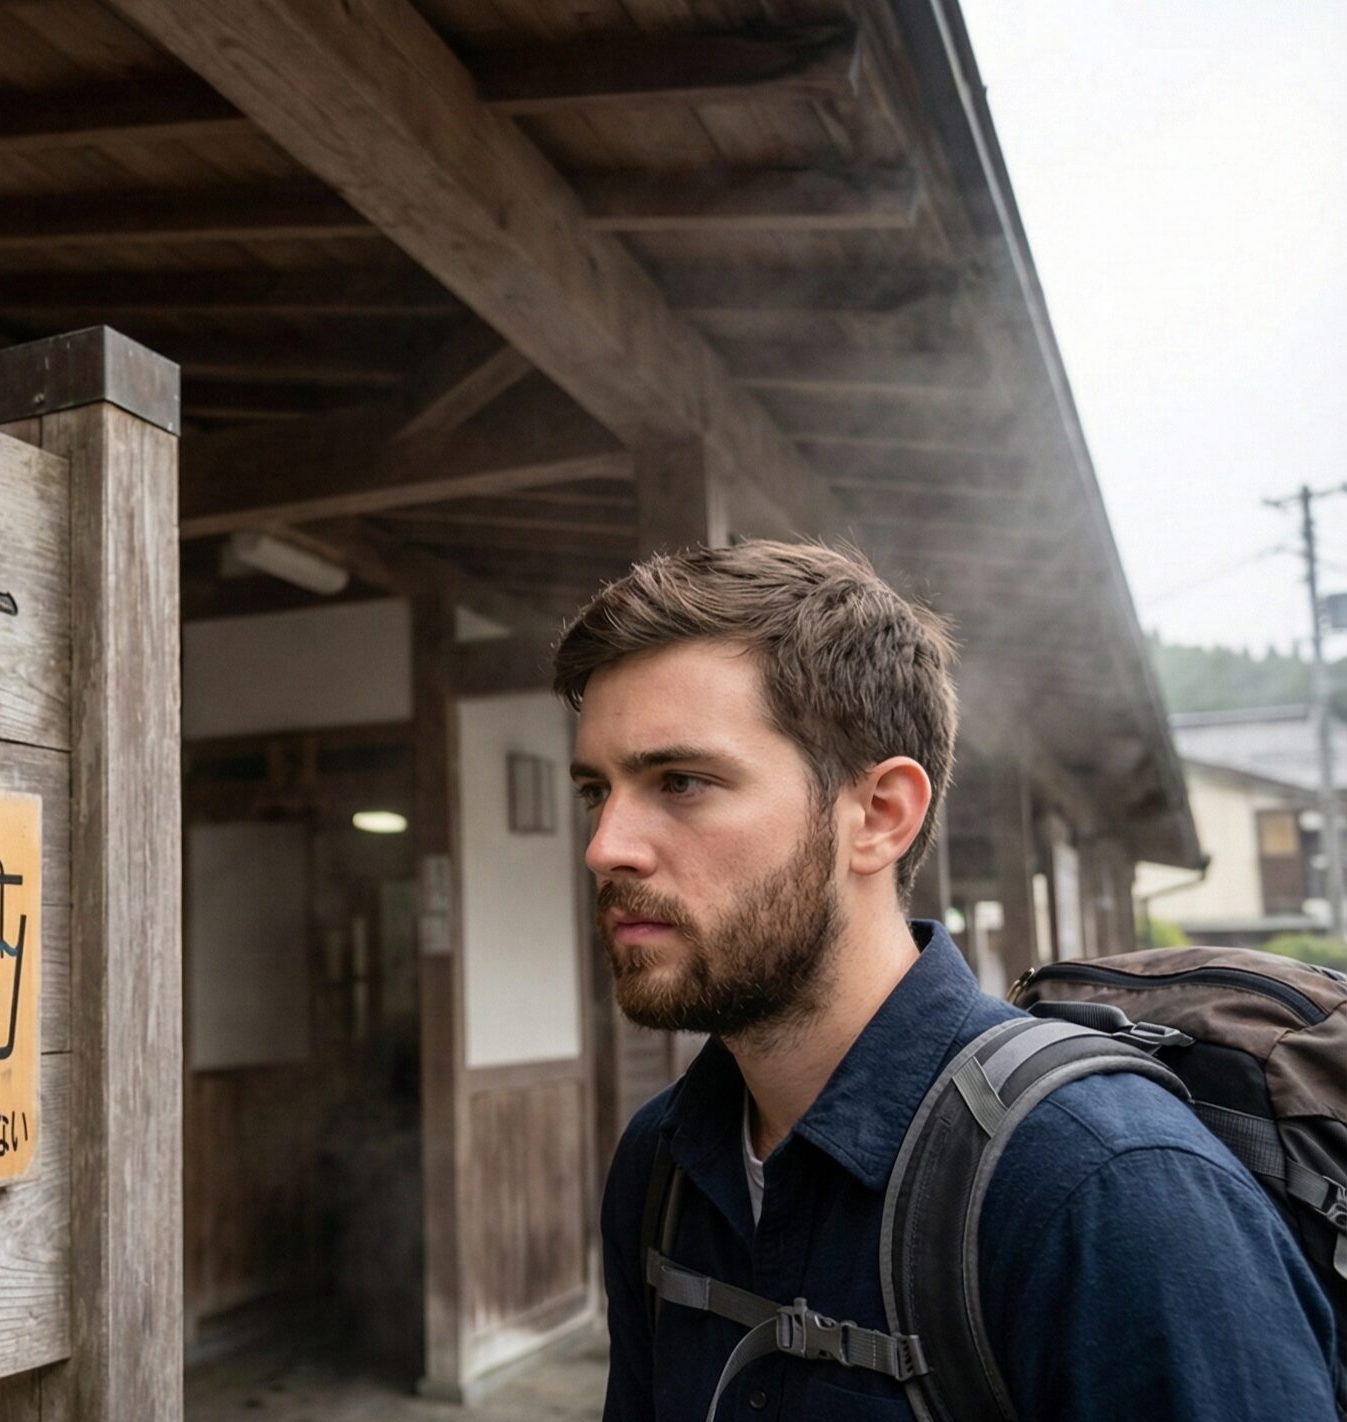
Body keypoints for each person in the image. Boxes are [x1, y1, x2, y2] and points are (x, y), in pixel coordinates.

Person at [561, 541, 1336, 1420]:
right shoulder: (662, 1163)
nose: (606, 847)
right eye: (597, 791)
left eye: (683, 781)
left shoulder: (1105, 1189)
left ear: (880, 816)